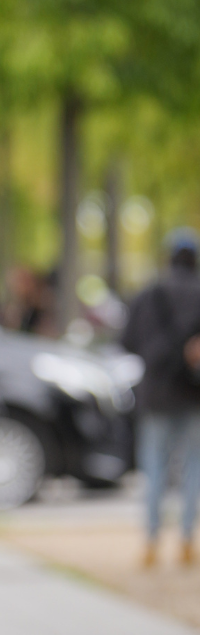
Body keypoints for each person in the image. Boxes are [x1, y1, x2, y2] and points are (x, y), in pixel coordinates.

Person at [121, 227, 200, 567]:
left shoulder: (149, 295)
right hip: (192, 392)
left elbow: (125, 340)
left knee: (154, 467)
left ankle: (151, 539)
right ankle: (186, 537)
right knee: (192, 468)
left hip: (155, 392)